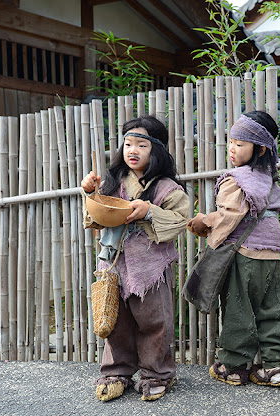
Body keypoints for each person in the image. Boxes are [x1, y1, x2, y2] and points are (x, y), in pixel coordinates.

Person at [81, 115, 189, 402]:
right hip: (114, 264)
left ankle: (157, 374)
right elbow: (94, 219)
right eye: (128, 143)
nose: (132, 150)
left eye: (141, 145)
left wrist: (150, 210)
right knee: (116, 321)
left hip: (151, 268)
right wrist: (91, 193)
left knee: (155, 321)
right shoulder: (113, 182)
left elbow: (180, 220)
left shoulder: (167, 188)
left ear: (157, 150)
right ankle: (116, 372)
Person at [187, 110, 280, 387]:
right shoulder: (270, 178)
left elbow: (229, 216)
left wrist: (204, 223)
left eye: (240, 144)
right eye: (231, 142)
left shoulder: (236, 178)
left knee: (239, 308)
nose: (233, 150)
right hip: (272, 255)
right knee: (274, 309)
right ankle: (277, 367)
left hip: (245, 254)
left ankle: (234, 366)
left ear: (260, 148)